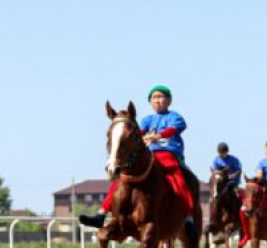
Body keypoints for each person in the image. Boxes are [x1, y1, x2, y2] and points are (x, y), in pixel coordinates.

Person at [79, 85, 197, 236]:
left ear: (169, 101)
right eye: (154, 98)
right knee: (122, 179)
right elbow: (137, 132)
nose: (157, 101)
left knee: (180, 182)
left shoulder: (174, 117)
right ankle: (101, 214)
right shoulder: (147, 119)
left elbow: (175, 129)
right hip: (150, 155)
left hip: (169, 156)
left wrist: (157, 136)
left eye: (160, 97)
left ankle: (188, 219)